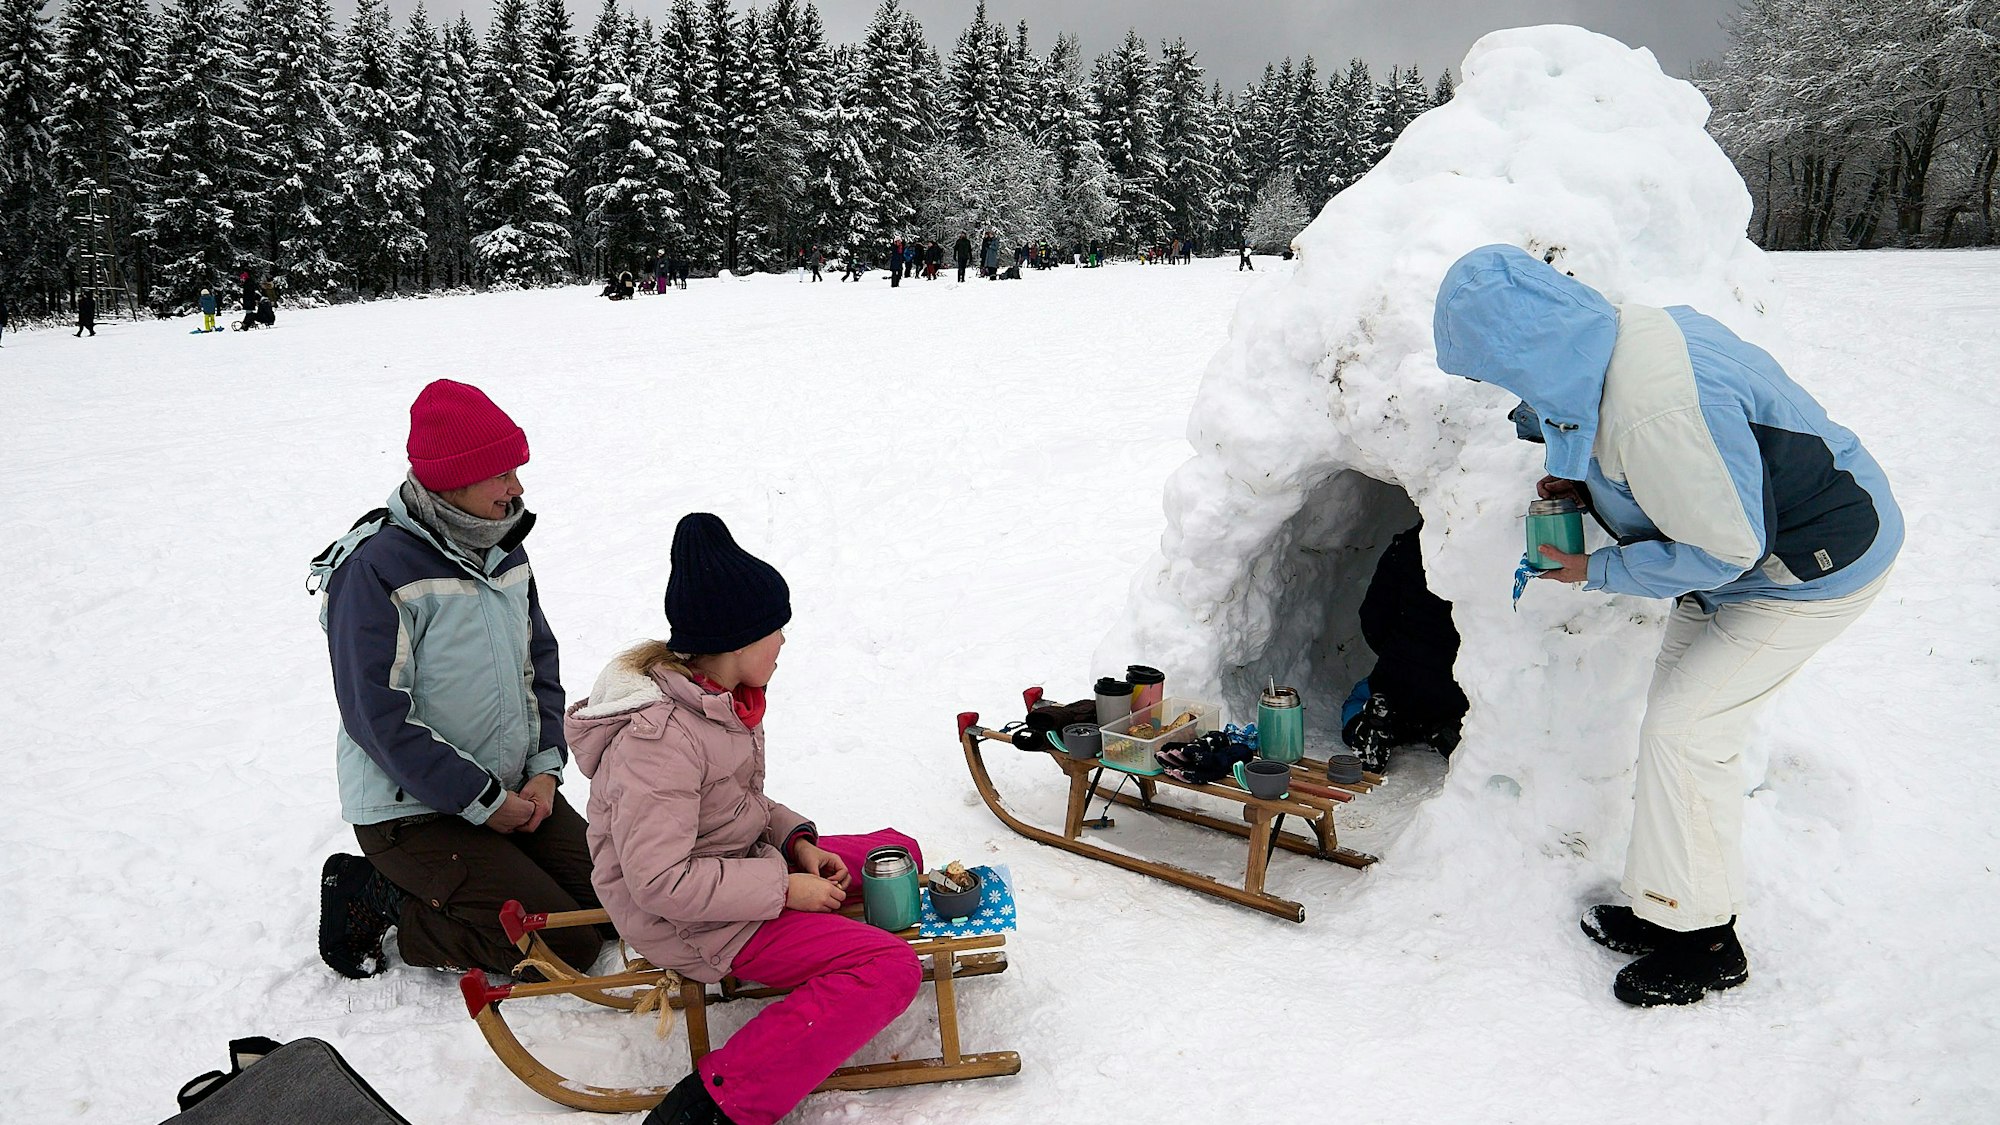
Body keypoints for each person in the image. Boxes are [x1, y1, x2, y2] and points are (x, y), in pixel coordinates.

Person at [1432, 244, 1903, 1008]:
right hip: (1748, 560)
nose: (1502, 387)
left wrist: (1596, 570)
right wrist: (1581, 481)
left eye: (1497, 368)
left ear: (1528, 344)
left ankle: (1707, 945)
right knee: (1674, 732)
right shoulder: (1614, 341)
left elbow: (1725, 544)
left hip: (1811, 568)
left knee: (1690, 735)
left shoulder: (1659, 406)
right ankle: (1668, 906)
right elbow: (1636, 451)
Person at [569, 513, 923, 1125]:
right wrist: (786, 888)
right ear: (735, 640)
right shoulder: (657, 741)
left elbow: (734, 804)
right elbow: (660, 883)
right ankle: (720, 1102)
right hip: (692, 922)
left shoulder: (716, 701)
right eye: (774, 630)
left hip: (734, 868)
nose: (783, 643)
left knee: (899, 852)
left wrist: (796, 841)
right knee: (888, 968)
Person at [311, 379, 604, 980]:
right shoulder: (374, 570)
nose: (517, 489)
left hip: (510, 789)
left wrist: (545, 771)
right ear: (453, 479)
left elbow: (538, 665)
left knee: (615, 906)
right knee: (562, 952)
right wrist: (482, 802)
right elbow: (377, 719)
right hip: (412, 810)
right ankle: (377, 896)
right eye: (501, 474)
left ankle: (494, 857)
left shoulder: (502, 549)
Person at [1340, 521, 1466, 772]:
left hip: (1399, 677)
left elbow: (1373, 615)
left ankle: (1367, 725)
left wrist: (1394, 651)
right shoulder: (1486, 550)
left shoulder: (1406, 547)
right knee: (1460, 705)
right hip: (1457, 681)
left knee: (1360, 697)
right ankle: (1449, 729)